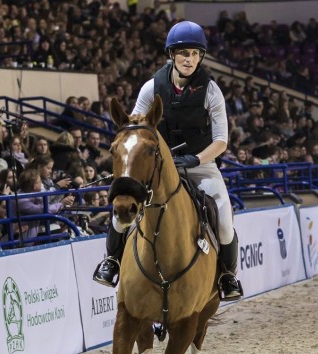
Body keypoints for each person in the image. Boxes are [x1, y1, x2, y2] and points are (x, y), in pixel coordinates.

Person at [92, 20, 243, 299]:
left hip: (201, 166)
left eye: (196, 54)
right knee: (124, 206)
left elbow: (221, 141)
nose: (190, 59)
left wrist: (194, 160)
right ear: (172, 54)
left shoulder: (211, 91)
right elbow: (135, 124)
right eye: (184, 53)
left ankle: (227, 276)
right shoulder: (152, 87)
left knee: (223, 220)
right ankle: (111, 261)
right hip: (156, 165)